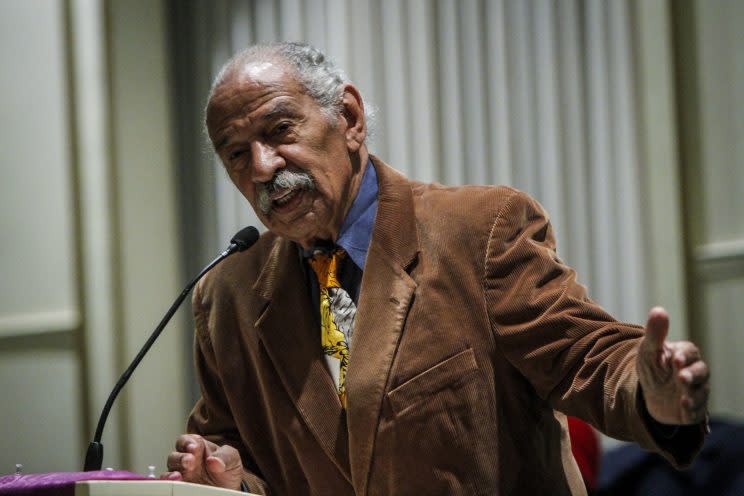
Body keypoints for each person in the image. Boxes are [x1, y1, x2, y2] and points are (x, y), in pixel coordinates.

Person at [163, 42, 710, 495]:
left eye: (280, 130)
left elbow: (585, 357)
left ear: (348, 118)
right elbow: (231, 453)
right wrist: (225, 482)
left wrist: (650, 392)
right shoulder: (226, 295)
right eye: (236, 153)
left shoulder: (479, 229)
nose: (262, 166)